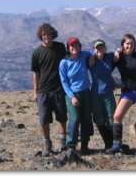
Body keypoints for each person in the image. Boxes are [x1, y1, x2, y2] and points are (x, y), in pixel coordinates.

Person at [106, 34, 136, 154]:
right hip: (127, 92)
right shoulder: (119, 57)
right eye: (127, 43)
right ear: (123, 45)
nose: (129, 45)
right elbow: (107, 68)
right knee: (117, 116)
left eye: (131, 43)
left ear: (134, 44)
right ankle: (117, 144)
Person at [31, 23, 67, 157]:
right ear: (41, 36)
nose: (47, 37)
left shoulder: (60, 47)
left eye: (49, 34)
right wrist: (35, 92)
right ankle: (47, 144)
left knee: (62, 117)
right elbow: (36, 74)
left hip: (58, 89)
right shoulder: (37, 53)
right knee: (44, 119)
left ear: (53, 35)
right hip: (43, 91)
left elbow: (70, 61)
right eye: (44, 35)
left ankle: (63, 143)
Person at [59, 37, 94, 155]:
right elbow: (64, 82)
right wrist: (72, 97)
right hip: (73, 94)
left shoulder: (83, 55)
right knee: (74, 119)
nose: (74, 48)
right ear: (68, 48)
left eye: (76, 45)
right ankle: (71, 145)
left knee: (86, 118)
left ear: (80, 46)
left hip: (86, 92)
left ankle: (85, 144)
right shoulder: (64, 63)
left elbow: (96, 51)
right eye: (72, 46)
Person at [88, 39, 117, 150]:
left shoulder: (109, 57)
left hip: (108, 92)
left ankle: (115, 143)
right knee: (99, 119)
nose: (100, 49)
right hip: (95, 93)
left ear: (105, 48)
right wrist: (92, 55)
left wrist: (118, 51)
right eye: (97, 48)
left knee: (111, 119)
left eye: (102, 47)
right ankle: (107, 143)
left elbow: (118, 52)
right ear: (94, 50)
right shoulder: (91, 60)